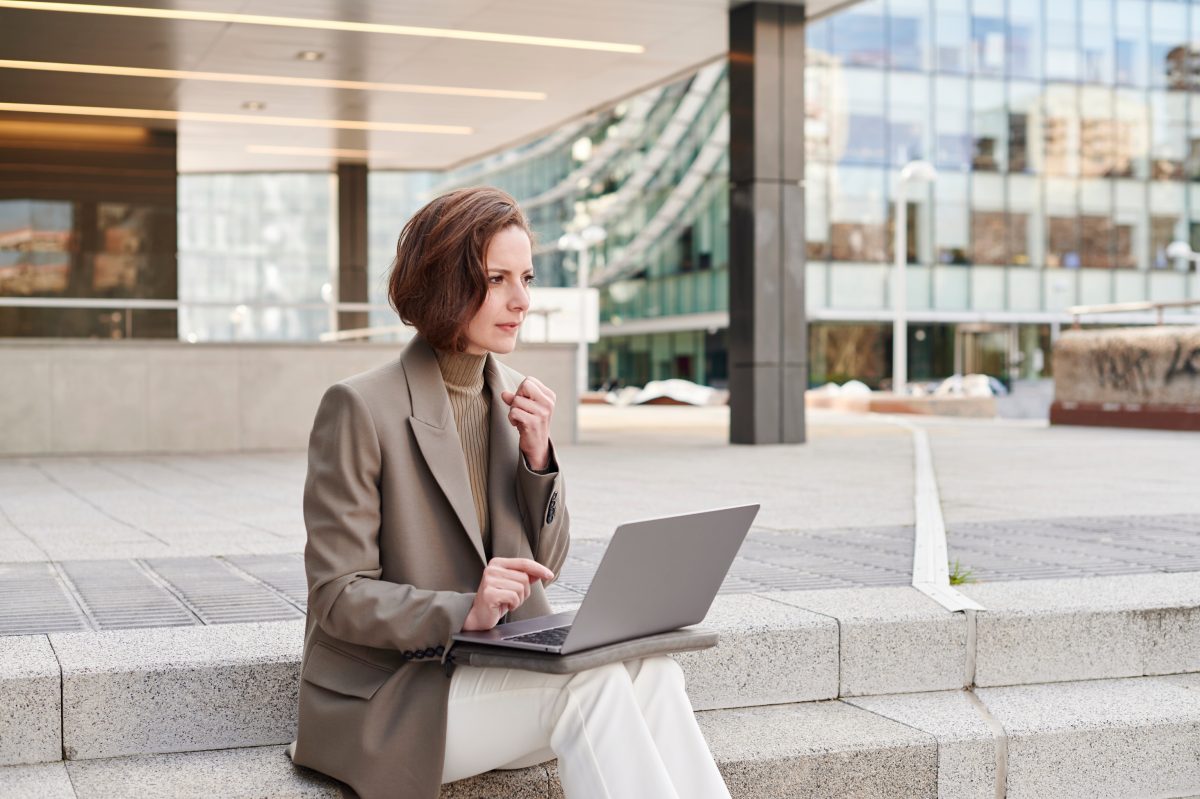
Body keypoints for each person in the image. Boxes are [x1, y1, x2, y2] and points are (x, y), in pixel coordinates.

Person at [288, 187, 730, 799]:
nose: (522, 301)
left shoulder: (518, 397)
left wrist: (538, 460)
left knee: (653, 670)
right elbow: (338, 597)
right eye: (497, 279)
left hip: (501, 675)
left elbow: (546, 565)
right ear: (444, 284)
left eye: (526, 277)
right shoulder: (361, 406)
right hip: (399, 700)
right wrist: (462, 607)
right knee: (592, 686)